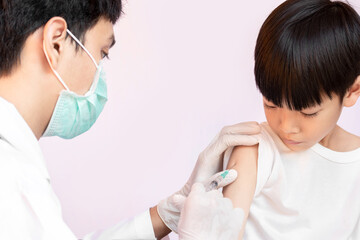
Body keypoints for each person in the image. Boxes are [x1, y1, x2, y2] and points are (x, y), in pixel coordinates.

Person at [0, 0, 261, 239]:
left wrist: (166, 214)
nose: (98, 75)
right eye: (102, 52)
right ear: (56, 42)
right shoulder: (12, 179)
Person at [222, 0, 360, 239]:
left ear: (351, 91)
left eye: (307, 113)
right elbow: (224, 234)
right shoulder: (255, 150)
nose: (286, 127)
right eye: (271, 104)